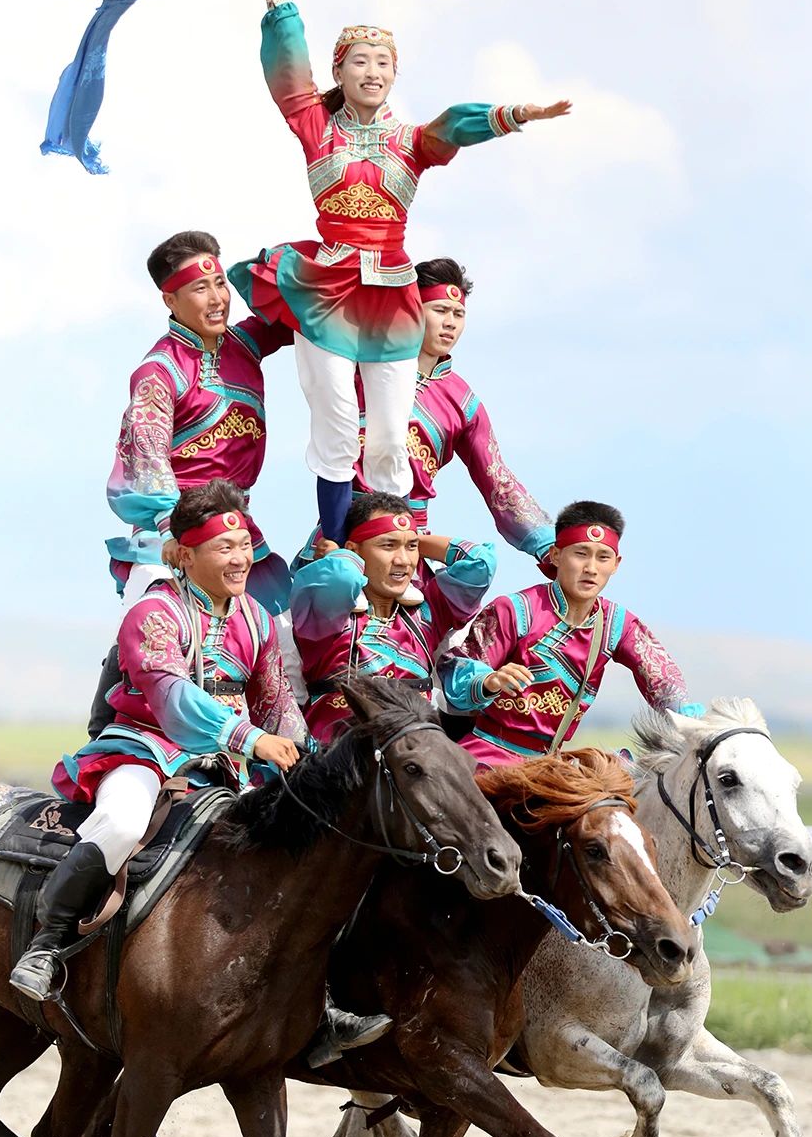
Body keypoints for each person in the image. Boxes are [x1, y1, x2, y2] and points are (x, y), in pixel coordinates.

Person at [229, 0, 573, 550]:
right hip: (327, 288)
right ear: (340, 72)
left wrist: (517, 113)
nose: (373, 72)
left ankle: (389, 543)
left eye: (383, 64)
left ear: (394, 75)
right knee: (334, 421)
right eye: (359, 62)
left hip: (390, 296)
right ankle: (334, 543)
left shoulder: (411, 142)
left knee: (388, 434)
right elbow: (287, 62)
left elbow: (454, 125)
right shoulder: (316, 126)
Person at [10, 480, 306, 1002]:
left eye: (244, 547)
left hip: (223, 769)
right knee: (123, 822)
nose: (241, 560)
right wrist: (251, 737)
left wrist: (304, 757)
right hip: (144, 751)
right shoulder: (154, 614)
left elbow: (276, 699)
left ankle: (312, 998)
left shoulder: (257, 620)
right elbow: (170, 698)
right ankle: (46, 945)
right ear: (185, 555)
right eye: (225, 549)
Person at [294, 257, 555, 573]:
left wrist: (547, 544)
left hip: (406, 541)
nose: (450, 322)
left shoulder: (463, 403)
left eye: (458, 314)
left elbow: (497, 480)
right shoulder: (362, 370)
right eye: (440, 311)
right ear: (412, 311)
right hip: (338, 535)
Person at [106, 230, 294, 613]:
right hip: (176, 536)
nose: (216, 299)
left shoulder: (245, 345)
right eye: (200, 289)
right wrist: (173, 535)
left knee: (284, 646)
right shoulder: (159, 373)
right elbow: (148, 460)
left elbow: (297, 311)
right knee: (163, 640)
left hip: (238, 534)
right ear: (170, 300)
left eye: (220, 284)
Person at [439, 501, 705, 768]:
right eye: (581, 553)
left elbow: (663, 680)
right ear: (556, 555)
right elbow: (458, 671)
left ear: (616, 564)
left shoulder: (618, 624)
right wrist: (489, 680)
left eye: (603, 557)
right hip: (488, 754)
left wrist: (697, 725)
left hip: (552, 764)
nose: (591, 567)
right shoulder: (515, 610)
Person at [290, 492, 496, 745]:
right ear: (354, 550)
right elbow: (340, 577)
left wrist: (412, 538)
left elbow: (481, 563)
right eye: (388, 545)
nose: (403, 561)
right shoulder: (327, 616)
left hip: (415, 760)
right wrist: (341, 553)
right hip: (339, 762)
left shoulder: (429, 612)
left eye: (411, 547)